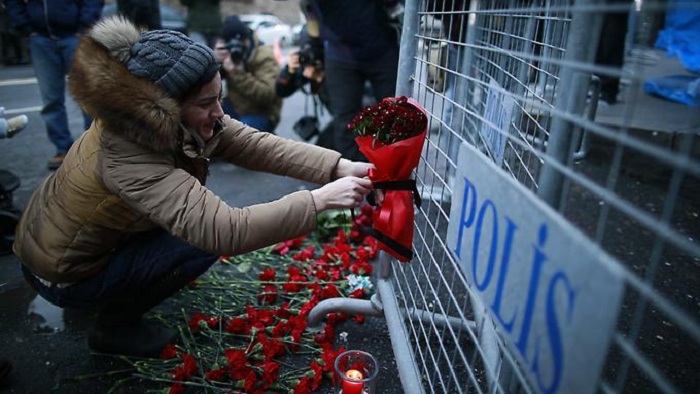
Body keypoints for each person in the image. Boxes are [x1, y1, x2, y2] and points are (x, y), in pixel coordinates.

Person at [13, 15, 374, 358]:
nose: (219, 112)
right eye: (207, 103)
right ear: (165, 107)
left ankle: (113, 289)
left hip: (71, 242)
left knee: (191, 219)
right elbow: (224, 230)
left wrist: (338, 166)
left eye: (220, 97)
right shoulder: (127, 153)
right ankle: (113, 328)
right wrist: (320, 200)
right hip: (62, 274)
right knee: (197, 241)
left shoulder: (146, 118)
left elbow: (254, 143)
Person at [4, 0, 103, 170]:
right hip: (40, 37)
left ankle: (95, 146)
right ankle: (63, 149)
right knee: (51, 100)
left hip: (75, 35)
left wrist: (84, 24)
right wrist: (25, 28)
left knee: (88, 95)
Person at [301, 0, 403, 162]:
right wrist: (313, 49)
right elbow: (311, 16)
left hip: (382, 48)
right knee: (345, 120)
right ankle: (354, 176)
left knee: (394, 113)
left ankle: (396, 171)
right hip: (339, 53)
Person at [212, 15, 282, 133]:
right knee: (205, 118)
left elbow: (267, 95)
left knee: (241, 136)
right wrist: (215, 61)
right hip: (235, 106)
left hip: (261, 111)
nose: (236, 50)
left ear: (246, 40)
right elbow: (209, 85)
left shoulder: (264, 56)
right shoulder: (226, 53)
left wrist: (236, 72)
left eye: (239, 44)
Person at [275, 26, 334, 149]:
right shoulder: (308, 65)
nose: (309, 56)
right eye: (304, 51)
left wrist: (321, 79)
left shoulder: (338, 64)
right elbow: (280, 91)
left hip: (355, 120)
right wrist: (289, 71)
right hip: (341, 120)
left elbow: (347, 106)